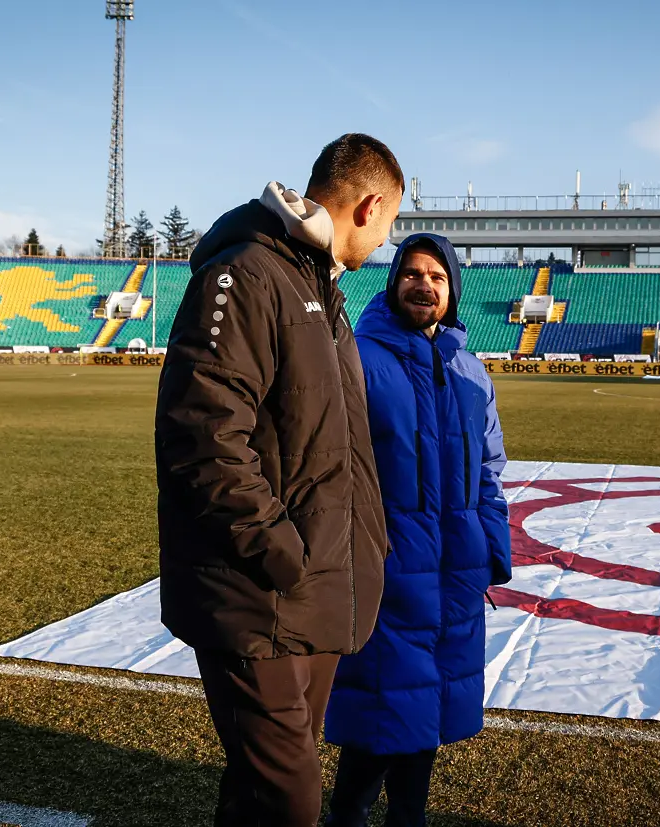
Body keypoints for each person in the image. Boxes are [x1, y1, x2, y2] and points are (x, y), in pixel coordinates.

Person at [155, 133, 403, 826]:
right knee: (288, 800)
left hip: (310, 589)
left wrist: (361, 546)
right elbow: (202, 434)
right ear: (371, 205)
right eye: (390, 224)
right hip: (259, 592)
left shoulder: (319, 286)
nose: (387, 241)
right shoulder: (251, 273)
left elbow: (339, 450)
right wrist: (278, 549)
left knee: (260, 793)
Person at [324, 234, 513, 827]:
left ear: (452, 289)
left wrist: (490, 548)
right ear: (393, 281)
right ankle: (346, 816)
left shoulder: (472, 371)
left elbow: (489, 468)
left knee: (425, 712)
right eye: (411, 272)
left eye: (436, 275)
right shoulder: (358, 359)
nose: (423, 283)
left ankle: (406, 818)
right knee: (384, 714)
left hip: (454, 571)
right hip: (389, 571)